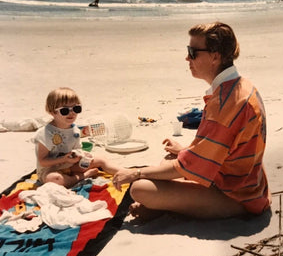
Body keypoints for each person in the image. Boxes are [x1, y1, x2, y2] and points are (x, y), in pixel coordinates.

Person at [113, 22, 271, 220]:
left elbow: (189, 166)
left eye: (193, 52)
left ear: (215, 56)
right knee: (170, 160)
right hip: (243, 180)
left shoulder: (227, 102)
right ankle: (165, 205)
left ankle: (165, 208)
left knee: (140, 188)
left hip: (237, 196)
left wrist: (136, 173)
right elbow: (223, 146)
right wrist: (185, 151)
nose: (187, 58)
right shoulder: (240, 86)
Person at [34, 87, 119, 188]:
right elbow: (43, 161)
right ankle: (81, 177)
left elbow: (76, 149)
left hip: (70, 166)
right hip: (50, 170)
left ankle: (125, 172)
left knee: (101, 159)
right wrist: (63, 159)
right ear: (52, 112)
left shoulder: (75, 130)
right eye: (65, 110)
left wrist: (81, 155)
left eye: (76, 108)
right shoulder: (44, 133)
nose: (72, 113)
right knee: (54, 179)